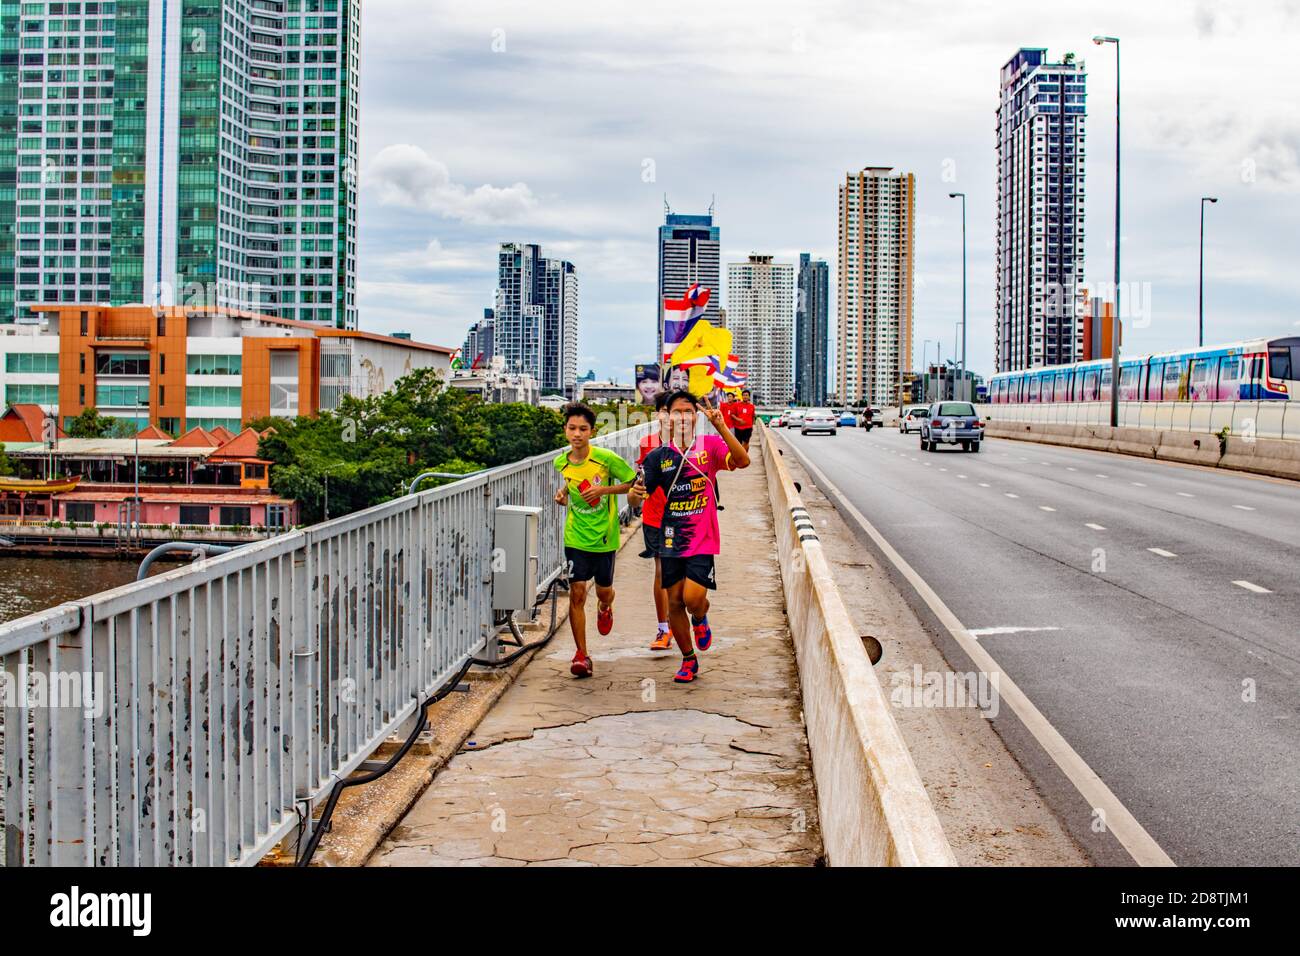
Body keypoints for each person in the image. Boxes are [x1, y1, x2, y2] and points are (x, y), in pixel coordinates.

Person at [630, 390, 750, 684]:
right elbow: (636, 497)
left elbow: (743, 461)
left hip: (702, 536)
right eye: (676, 412)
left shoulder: (709, 446)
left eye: (688, 411)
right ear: (667, 418)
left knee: (693, 598)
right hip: (670, 536)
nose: (682, 417)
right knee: (674, 602)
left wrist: (722, 425)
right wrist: (634, 496)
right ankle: (688, 659)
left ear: (695, 417)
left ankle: (700, 617)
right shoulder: (658, 456)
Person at [553, 402, 637, 678]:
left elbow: (633, 482)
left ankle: (605, 606)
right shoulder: (560, 461)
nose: (577, 434)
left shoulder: (606, 459)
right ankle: (581, 655)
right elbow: (573, 479)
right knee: (576, 594)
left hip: (604, 538)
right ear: (566, 431)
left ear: (592, 431)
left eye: (583, 429)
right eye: (572, 428)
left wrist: (605, 489)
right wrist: (563, 492)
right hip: (575, 536)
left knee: (603, 591)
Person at [636, 391, 673, 650]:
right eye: (665, 410)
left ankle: (690, 616)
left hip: (686, 517)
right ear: (657, 413)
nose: (670, 416)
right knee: (662, 569)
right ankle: (663, 629)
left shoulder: (695, 445)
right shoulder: (647, 443)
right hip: (654, 515)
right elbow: (640, 478)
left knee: (684, 576)